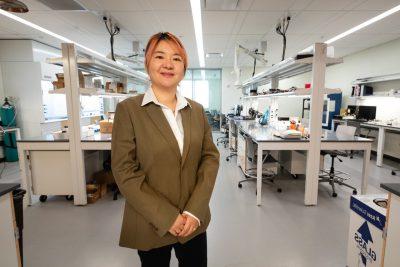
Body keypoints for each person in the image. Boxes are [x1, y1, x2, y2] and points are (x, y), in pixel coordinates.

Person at [111, 32, 220, 267]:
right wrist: (167, 217)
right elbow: (124, 170)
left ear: (184, 67)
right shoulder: (129, 110)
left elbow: (209, 158)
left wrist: (194, 211)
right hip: (150, 220)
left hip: (193, 221)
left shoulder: (197, 111)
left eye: (177, 58)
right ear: (148, 63)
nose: (168, 64)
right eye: (159, 56)